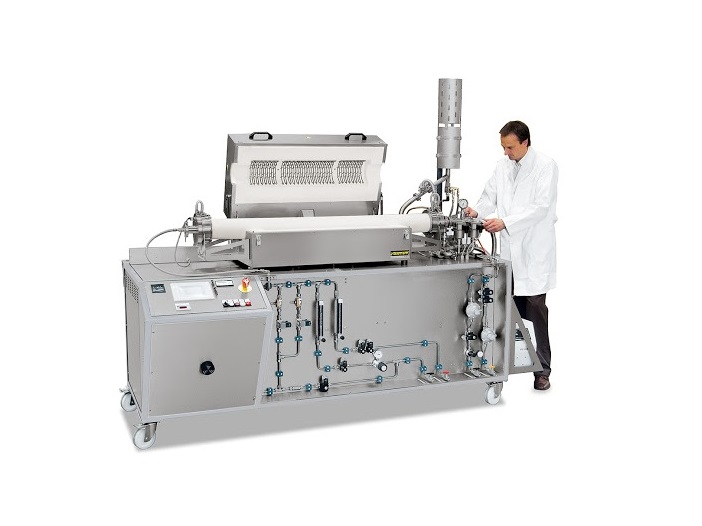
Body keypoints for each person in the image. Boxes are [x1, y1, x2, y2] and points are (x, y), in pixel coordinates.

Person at [466, 121, 558, 391]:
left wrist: (505, 222)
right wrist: (476, 211)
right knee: (504, 308)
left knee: (536, 310)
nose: (506, 152)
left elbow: (541, 207)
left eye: (510, 147)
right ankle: (499, 366)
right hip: (507, 252)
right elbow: (489, 197)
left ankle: (542, 370)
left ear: (525, 142)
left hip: (533, 251)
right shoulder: (502, 166)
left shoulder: (546, 166)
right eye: (503, 147)